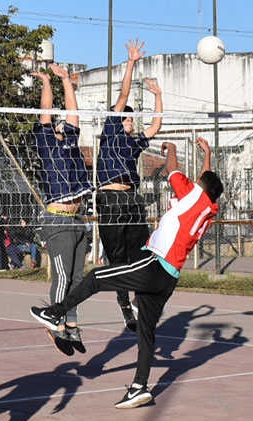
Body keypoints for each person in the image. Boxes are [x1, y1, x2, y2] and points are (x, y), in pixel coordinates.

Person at [30, 138, 223, 409]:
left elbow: (172, 170)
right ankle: (139, 387)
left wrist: (173, 150)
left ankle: (55, 312)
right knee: (146, 332)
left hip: (154, 265)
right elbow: (209, 181)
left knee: (97, 277)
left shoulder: (192, 194)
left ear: (201, 186)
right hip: (169, 279)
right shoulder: (207, 208)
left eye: (200, 178)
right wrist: (208, 153)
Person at [95, 39, 163, 334]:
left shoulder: (134, 142)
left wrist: (158, 96)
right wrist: (132, 62)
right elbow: (123, 94)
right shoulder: (111, 130)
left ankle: (139, 300)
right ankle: (124, 304)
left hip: (132, 199)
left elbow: (156, 126)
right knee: (116, 256)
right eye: (127, 116)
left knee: (142, 252)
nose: (131, 119)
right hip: (109, 198)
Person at [31, 64, 93, 354]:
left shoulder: (69, 141)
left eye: (61, 126)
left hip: (78, 219)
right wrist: (46, 82)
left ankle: (70, 323)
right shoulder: (45, 143)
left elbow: (73, 112)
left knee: (79, 279)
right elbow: (47, 110)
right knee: (63, 276)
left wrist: (66, 79)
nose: (60, 126)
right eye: (55, 125)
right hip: (56, 219)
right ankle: (54, 322)